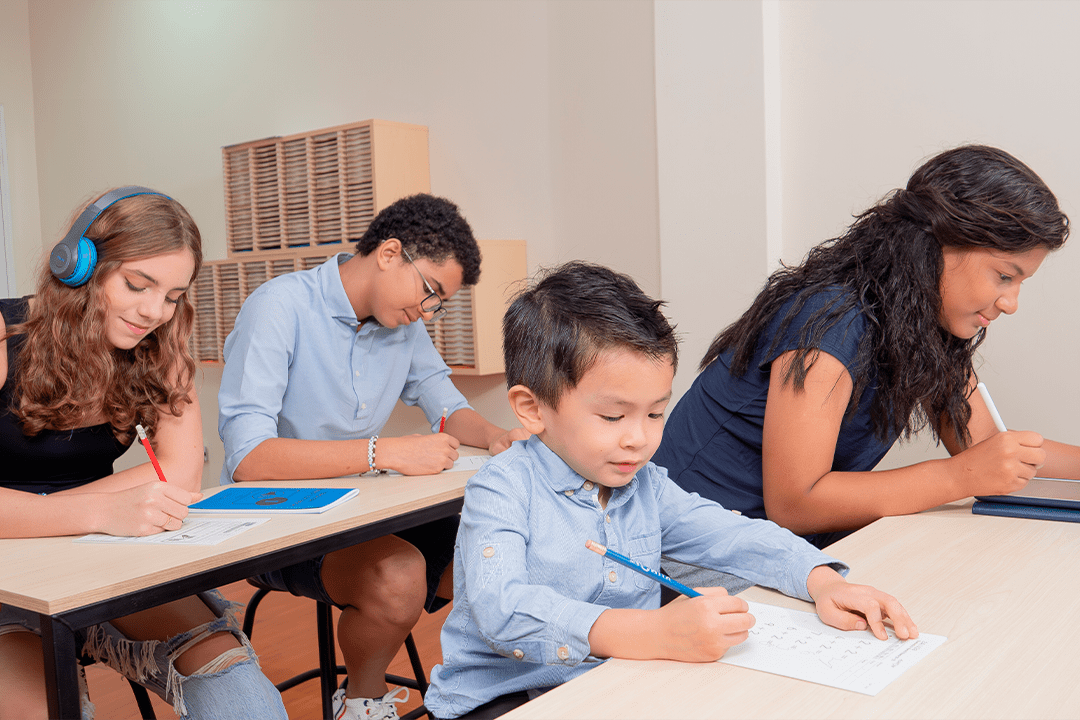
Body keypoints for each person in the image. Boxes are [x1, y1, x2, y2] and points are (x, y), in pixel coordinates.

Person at [424, 261, 918, 720]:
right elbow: (501, 609)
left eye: (655, 413)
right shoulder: (502, 487)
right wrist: (653, 632)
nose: (639, 438)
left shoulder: (646, 487)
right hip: (500, 701)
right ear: (532, 409)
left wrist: (822, 581)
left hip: (607, 685)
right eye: (613, 416)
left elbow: (733, 537)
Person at [653, 145, 1080, 559]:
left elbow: (988, 446)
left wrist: (979, 467)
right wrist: (961, 476)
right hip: (688, 549)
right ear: (935, 248)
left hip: (775, 549)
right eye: (1005, 276)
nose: (1011, 303)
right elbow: (795, 504)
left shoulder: (923, 325)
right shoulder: (831, 324)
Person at [218, 193, 529, 720]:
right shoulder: (280, 307)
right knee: (400, 575)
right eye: (429, 291)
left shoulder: (403, 323)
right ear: (389, 253)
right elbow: (250, 458)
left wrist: (497, 436)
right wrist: (381, 451)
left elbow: (446, 406)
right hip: (274, 521)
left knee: (492, 544)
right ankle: (361, 703)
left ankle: (487, 691)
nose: (427, 310)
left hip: (361, 509)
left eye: (438, 303)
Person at [0, 187, 287, 720]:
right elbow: (129, 498)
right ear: (80, 266)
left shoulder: (160, 349)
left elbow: (180, 475)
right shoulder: (4, 335)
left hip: (105, 561)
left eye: (174, 295)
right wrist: (98, 510)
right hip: (8, 578)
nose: (155, 311)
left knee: (244, 702)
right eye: (138, 284)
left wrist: (29, 511)